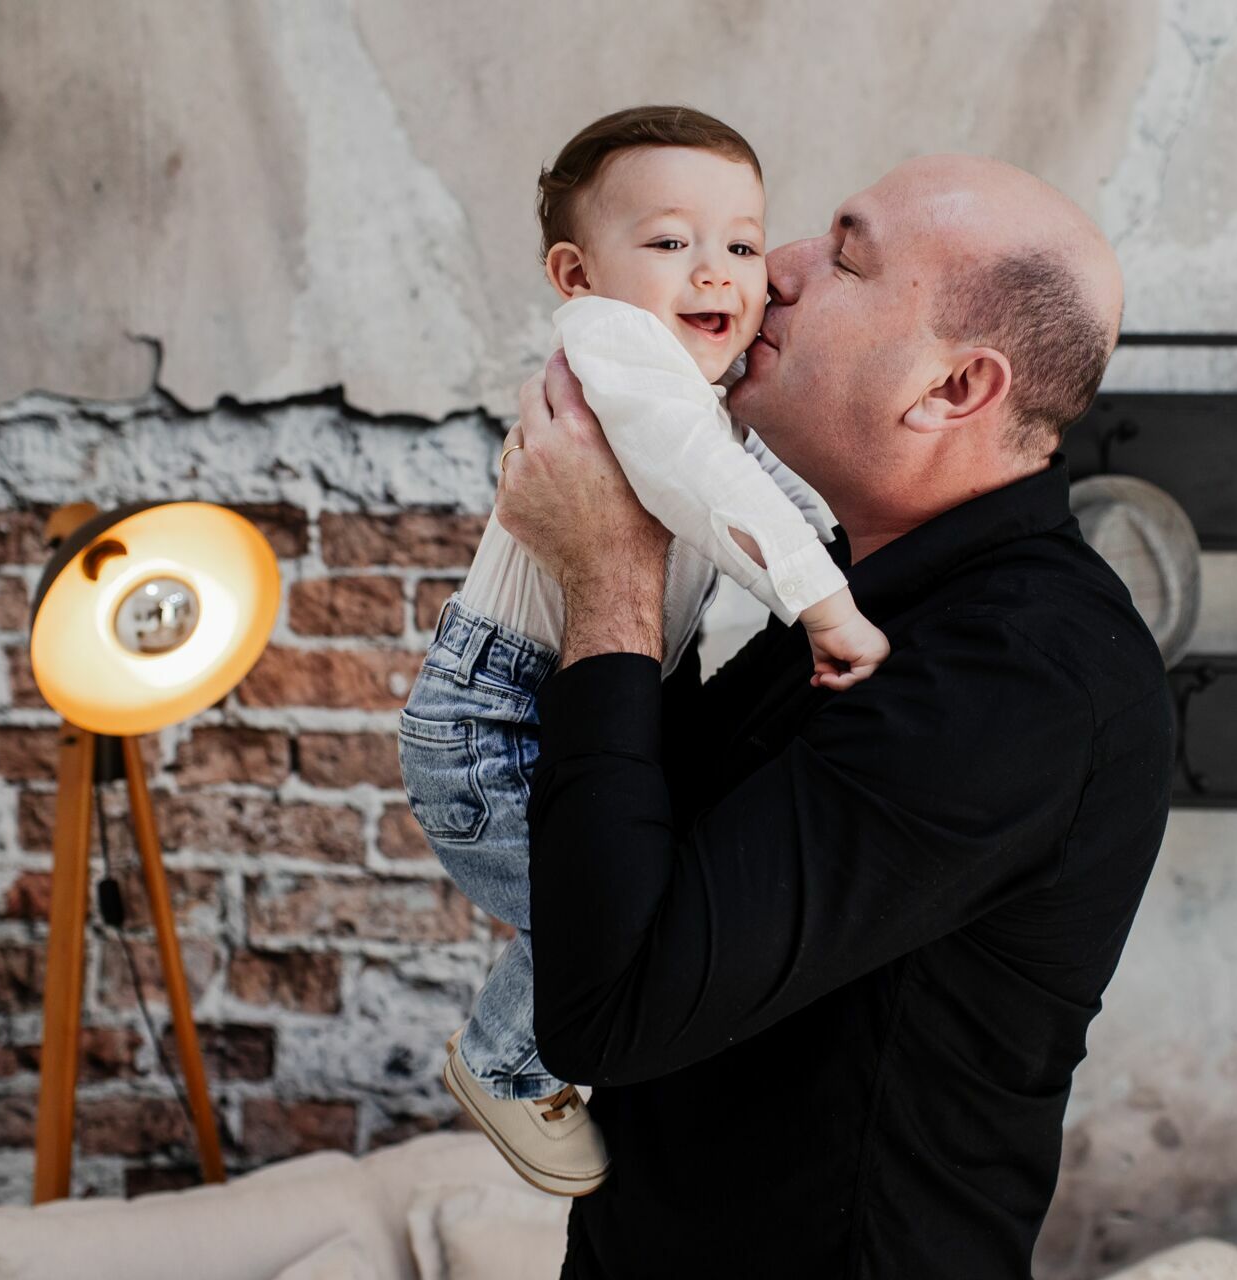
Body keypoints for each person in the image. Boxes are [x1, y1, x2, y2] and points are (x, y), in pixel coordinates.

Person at [494, 152, 1177, 1276]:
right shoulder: (856, 588)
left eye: (847, 255)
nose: (779, 266)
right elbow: (628, 851)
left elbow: (609, 1004)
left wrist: (611, 570)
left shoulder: (1022, 676)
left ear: (953, 390)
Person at [397, 105, 890, 1197]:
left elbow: (763, 489)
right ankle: (502, 1058)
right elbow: (693, 479)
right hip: (494, 724)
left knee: (622, 898)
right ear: (577, 273)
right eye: (670, 242)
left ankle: (549, 1045)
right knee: (610, 915)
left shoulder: (695, 394)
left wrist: (844, 526)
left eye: (743, 245)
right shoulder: (608, 345)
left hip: (558, 704)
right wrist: (825, 604)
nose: (716, 271)